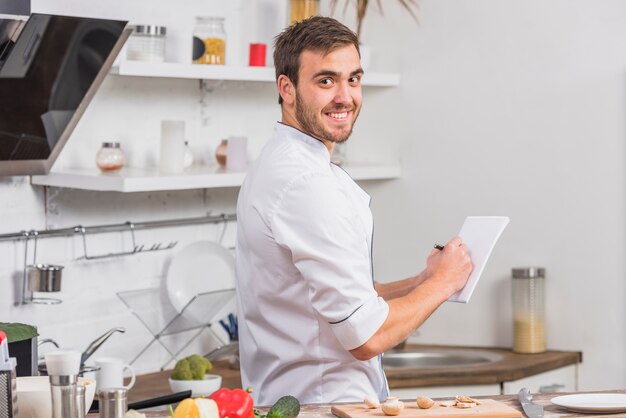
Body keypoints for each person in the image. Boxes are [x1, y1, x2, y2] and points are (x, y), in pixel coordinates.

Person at [235, 16, 472, 406]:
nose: (345, 96)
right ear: (287, 88)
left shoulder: (281, 164)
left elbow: (345, 299)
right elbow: (366, 336)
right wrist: (443, 284)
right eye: (326, 81)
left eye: (354, 79)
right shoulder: (306, 185)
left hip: (301, 401)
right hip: (324, 404)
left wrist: (421, 280)